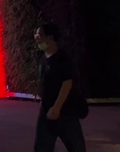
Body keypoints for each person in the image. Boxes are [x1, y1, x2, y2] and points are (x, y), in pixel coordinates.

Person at [34, 23, 87, 152]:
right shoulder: (42, 60)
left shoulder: (63, 58)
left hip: (66, 112)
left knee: (76, 148)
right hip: (46, 112)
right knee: (42, 148)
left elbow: (67, 83)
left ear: (50, 38)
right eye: (36, 35)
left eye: (40, 35)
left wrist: (57, 107)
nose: (37, 38)